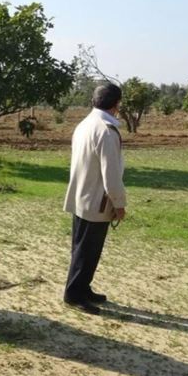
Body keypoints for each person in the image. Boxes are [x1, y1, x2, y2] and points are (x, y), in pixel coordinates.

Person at [63, 83, 126, 315]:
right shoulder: (106, 130)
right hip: (97, 200)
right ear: (116, 104)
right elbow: (111, 174)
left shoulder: (85, 124)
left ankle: (82, 288)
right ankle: (74, 294)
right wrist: (119, 203)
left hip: (81, 195)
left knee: (82, 247)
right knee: (87, 250)